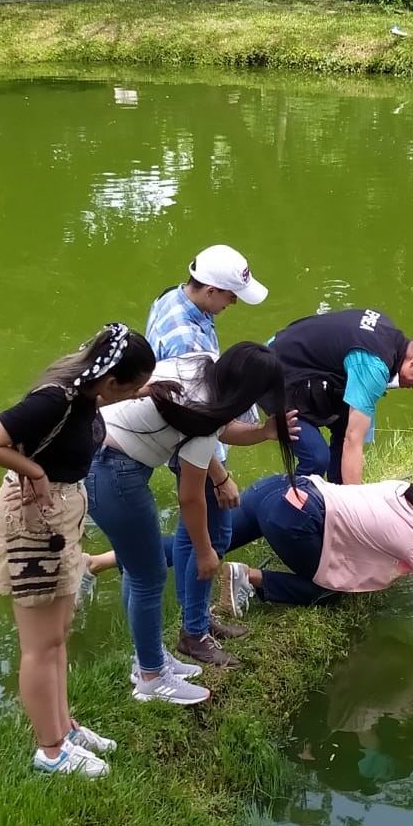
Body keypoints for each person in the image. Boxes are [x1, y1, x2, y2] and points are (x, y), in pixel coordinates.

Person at [0, 323, 156, 779]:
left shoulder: (89, 395)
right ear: (110, 382)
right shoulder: (55, 399)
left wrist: (156, 391)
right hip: (30, 522)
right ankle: (50, 752)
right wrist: (33, 471)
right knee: (38, 645)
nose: (132, 394)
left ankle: (64, 729)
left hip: (63, 515)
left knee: (58, 634)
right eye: (130, 388)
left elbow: (121, 397)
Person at [82, 244, 268, 669]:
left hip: (155, 440)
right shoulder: (185, 340)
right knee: (208, 537)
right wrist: (220, 476)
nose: (233, 302)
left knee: (166, 551)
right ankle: (186, 637)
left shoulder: (173, 299)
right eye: (229, 295)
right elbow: (192, 415)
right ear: (206, 289)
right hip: (177, 444)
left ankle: (188, 630)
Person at [86, 342, 297, 706]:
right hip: (111, 469)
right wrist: (204, 553)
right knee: (147, 575)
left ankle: (149, 661)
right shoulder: (203, 416)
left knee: (142, 571)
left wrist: (263, 432)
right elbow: (190, 498)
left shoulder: (205, 365)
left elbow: (220, 430)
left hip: (103, 456)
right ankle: (152, 677)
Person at [217, 474, 413, 627]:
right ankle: (246, 576)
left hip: (283, 486)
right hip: (295, 518)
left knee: (196, 546)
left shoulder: (403, 491)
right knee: (328, 589)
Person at [263, 308, 413, 485]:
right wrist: (358, 509)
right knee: (316, 458)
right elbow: (353, 441)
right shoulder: (373, 365)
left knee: (346, 426)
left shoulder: (386, 330)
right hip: (269, 371)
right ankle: (281, 507)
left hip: (299, 364)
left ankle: (336, 501)